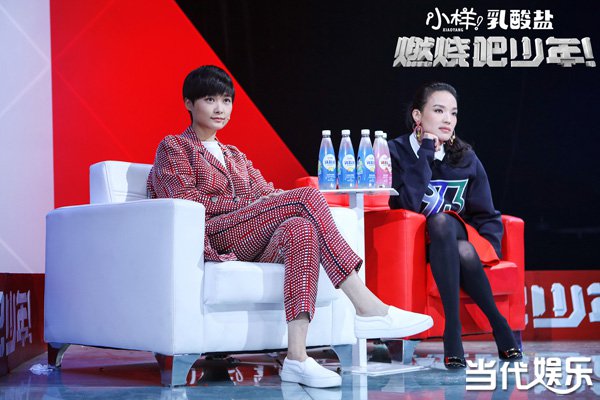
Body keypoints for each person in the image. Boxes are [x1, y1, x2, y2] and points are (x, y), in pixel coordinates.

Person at [147, 65, 433, 388]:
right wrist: (252, 204)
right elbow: (185, 200)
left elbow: (267, 193)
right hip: (214, 235)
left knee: (301, 229)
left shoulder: (235, 155)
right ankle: (366, 305)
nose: (220, 109)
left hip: (249, 236)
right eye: (210, 100)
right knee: (306, 198)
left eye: (226, 101)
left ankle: (297, 356)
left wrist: (268, 202)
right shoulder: (174, 147)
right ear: (189, 103)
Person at [388, 82, 522, 369]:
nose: (448, 119)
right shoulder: (395, 152)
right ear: (417, 116)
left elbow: (486, 213)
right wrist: (426, 151)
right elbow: (407, 205)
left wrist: (489, 250)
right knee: (458, 246)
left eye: (453, 113)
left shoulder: (465, 157)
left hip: (463, 234)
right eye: (439, 111)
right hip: (418, 248)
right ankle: (499, 324)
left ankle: (452, 330)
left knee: (444, 225)